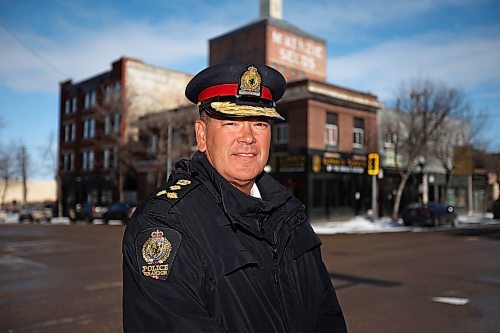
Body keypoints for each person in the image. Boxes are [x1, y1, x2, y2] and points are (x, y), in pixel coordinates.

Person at [122, 63, 347, 332]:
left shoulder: (289, 214)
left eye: (260, 124)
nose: (248, 138)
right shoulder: (166, 223)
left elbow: (328, 318)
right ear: (202, 135)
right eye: (231, 123)